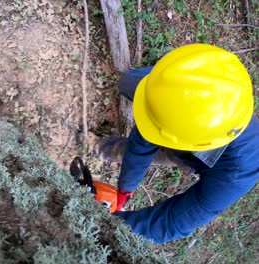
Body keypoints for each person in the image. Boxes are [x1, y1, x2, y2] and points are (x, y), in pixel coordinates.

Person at [95, 44, 259, 244]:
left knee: (163, 151)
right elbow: (147, 132)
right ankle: (107, 148)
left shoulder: (235, 177)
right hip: (176, 87)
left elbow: (169, 222)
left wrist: (101, 228)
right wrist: (125, 188)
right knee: (128, 82)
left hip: (199, 152)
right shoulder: (208, 85)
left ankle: (104, 148)